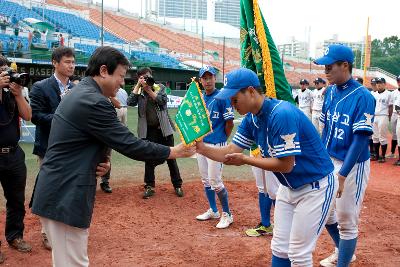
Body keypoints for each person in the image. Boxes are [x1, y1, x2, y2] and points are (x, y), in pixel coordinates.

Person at [30, 46, 195, 267]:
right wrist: (173, 151)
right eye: (120, 76)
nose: (122, 84)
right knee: (73, 264)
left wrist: (102, 162)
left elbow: (80, 143)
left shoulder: (84, 93)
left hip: (59, 190)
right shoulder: (94, 101)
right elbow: (129, 144)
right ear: (104, 71)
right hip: (64, 195)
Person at [196, 68, 337, 266]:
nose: (231, 104)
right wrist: (201, 148)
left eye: (235, 98)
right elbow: (230, 149)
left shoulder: (281, 113)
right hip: (289, 187)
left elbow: (286, 165)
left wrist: (246, 160)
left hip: (316, 186)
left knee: (298, 253)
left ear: (251, 91)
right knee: (279, 247)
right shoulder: (251, 118)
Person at [314, 44, 376, 267]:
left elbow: (360, 140)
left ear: (345, 65)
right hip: (329, 160)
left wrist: (343, 174)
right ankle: (344, 252)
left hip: (352, 164)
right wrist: (321, 161)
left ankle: (344, 261)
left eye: (330, 66)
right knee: (326, 214)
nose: (326, 71)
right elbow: (326, 131)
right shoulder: (329, 91)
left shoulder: (363, 96)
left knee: (347, 220)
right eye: (325, 67)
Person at [29, 46, 76, 250]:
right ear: (55, 63)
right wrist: (61, 114)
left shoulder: (76, 88)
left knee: (69, 190)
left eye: (73, 62)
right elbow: (36, 116)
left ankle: (65, 229)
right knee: (49, 191)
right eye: (67, 62)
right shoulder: (40, 87)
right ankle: (46, 233)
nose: (71, 65)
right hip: (49, 148)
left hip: (72, 150)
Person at [127, 67, 184, 198]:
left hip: (164, 129)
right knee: (149, 158)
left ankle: (178, 185)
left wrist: (149, 90)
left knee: (172, 158)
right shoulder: (139, 91)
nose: (146, 79)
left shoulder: (160, 87)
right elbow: (130, 102)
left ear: (152, 76)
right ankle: (149, 186)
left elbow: (162, 101)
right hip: (148, 131)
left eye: (147, 76)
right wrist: (138, 85)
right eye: (142, 77)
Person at [0, 54, 32, 264]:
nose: (7, 76)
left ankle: (15, 236)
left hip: (13, 153)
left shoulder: (13, 94)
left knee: (16, 200)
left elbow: (28, 115)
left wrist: (18, 94)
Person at [195, 66, 235, 229]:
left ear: (214, 78)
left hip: (216, 144)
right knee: (206, 180)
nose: (208, 80)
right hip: (202, 145)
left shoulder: (221, 97)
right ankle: (213, 210)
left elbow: (229, 123)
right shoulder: (201, 97)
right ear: (200, 81)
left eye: (210, 77)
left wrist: (222, 139)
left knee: (215, 182)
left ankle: (227, 214)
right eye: (204, 78)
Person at [245, 145, 279, 237]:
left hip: (269, 151)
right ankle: (266, 224)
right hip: (257, 150)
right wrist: (254, 147)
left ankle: (282, 226)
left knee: (274, 189)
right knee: (264, 188)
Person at [100, 87, 129, 193]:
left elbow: (119, 105)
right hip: (93, 129)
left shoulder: (109, 92)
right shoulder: (92, 93)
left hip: (106, 130)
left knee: (106, 156)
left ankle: (105, 182)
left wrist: (109, 95)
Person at [371, 77, 392, 163]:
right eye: (377, 83)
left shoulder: (388, 94)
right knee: (375, 137)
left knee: (382, 137)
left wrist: (389, 117)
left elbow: (390, 107)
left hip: (383, 116)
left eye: (380, 83)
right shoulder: (374, 94)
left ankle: (382, 156)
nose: (378, 84)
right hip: (374, 116)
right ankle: (376, 155)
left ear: (384, 84)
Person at [388, 77, 400, 159]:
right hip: (394, 114)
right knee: (394, 134)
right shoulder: (394, 92)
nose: (399, 82)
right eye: (398, 81)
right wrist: (390, 115)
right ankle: (392, 153)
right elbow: (392, 105)